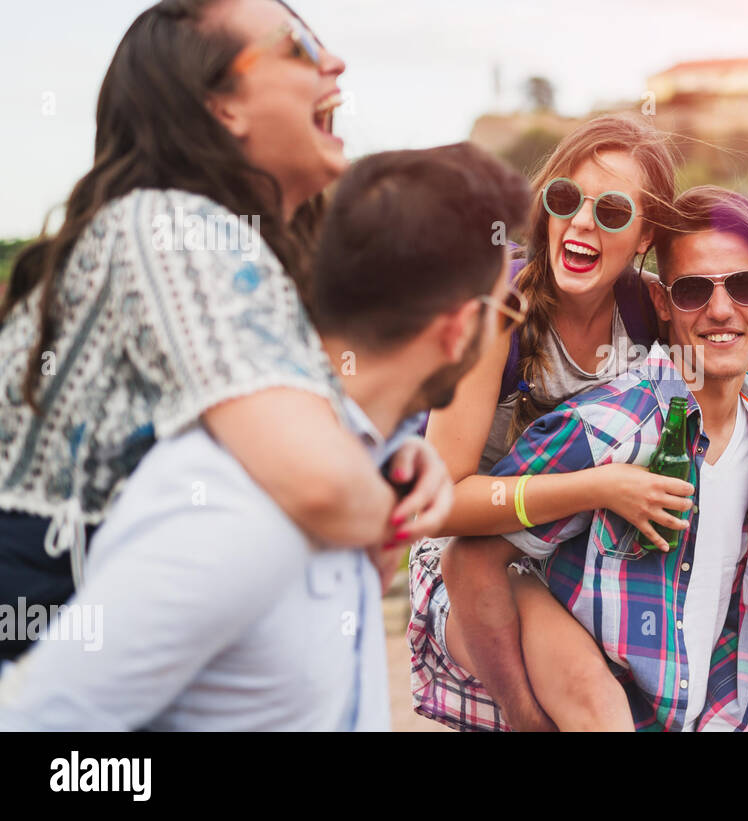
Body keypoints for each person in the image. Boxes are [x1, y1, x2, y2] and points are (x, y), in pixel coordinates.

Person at [0, 144, 531, 731]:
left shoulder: (359, 474)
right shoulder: (238, 511)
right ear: (459, 329)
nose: (509, 329)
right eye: (506, 312)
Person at [0, 0, 447, 663]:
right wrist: (382, 495)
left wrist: (392, 467)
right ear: (221, 105)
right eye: (297, 46)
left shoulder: (240, 257)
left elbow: (346, 526)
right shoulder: (165, 226)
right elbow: (326, 494)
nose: (334, 61)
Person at [409, 116, 748, 731]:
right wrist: (599, 487)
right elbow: (436, 506)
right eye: (565, 199)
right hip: (479, 558)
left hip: (575, 545)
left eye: (611, 211)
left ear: (644, 237)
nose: (582, 222)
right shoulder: (495, 313)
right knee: (594, 703)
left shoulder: (649, 308)